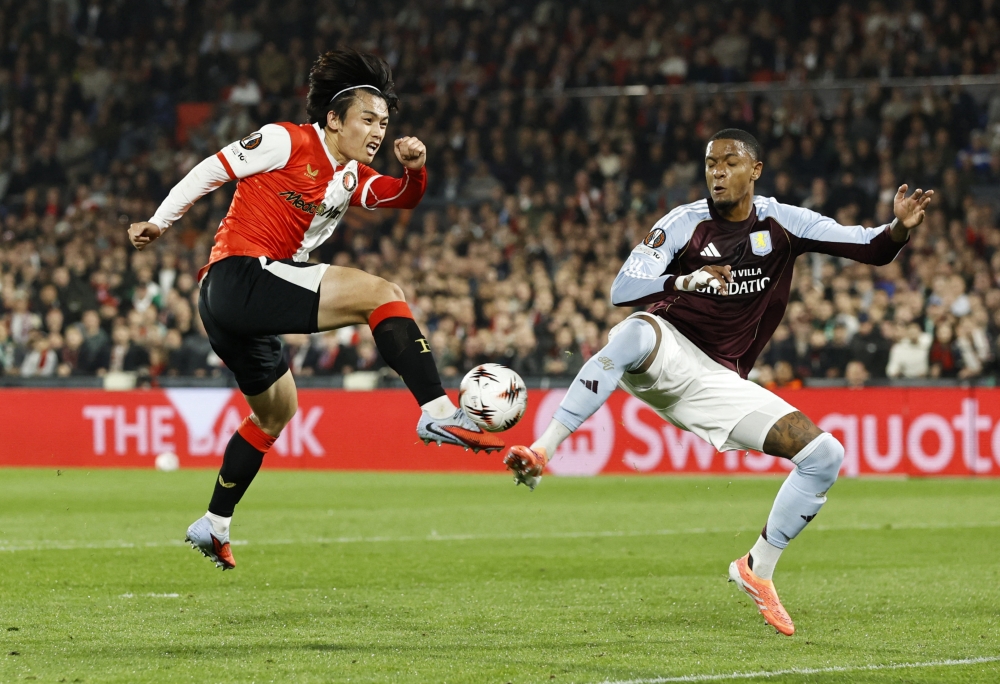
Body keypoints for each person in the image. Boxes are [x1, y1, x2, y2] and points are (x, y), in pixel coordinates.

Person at [504, 129, 933, 636]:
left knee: (824, 456)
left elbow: (870, 247)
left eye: (730, 163)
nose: (717, 173)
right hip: (668, 345)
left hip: (719, 381)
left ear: (755, 170)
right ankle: (542, 450)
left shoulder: (784, 222)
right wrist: (683, 280)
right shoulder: (684, 223)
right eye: (710, 164)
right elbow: (624, 288)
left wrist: (899, 229)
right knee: (632, 332)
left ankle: (758, 567)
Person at [128, 49, 503, 571]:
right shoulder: (286, 139)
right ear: (333, 119)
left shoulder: (351, 176)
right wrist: (159, 222)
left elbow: (402, 198)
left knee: (277, 411)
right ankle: (437, 413)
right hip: (239, 276)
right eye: (368, 120)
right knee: (382, 293)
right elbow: (209, 171)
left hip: (239, 308)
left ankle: (213, 523)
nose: (378, 132)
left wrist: (414, 170)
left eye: (385, 123)